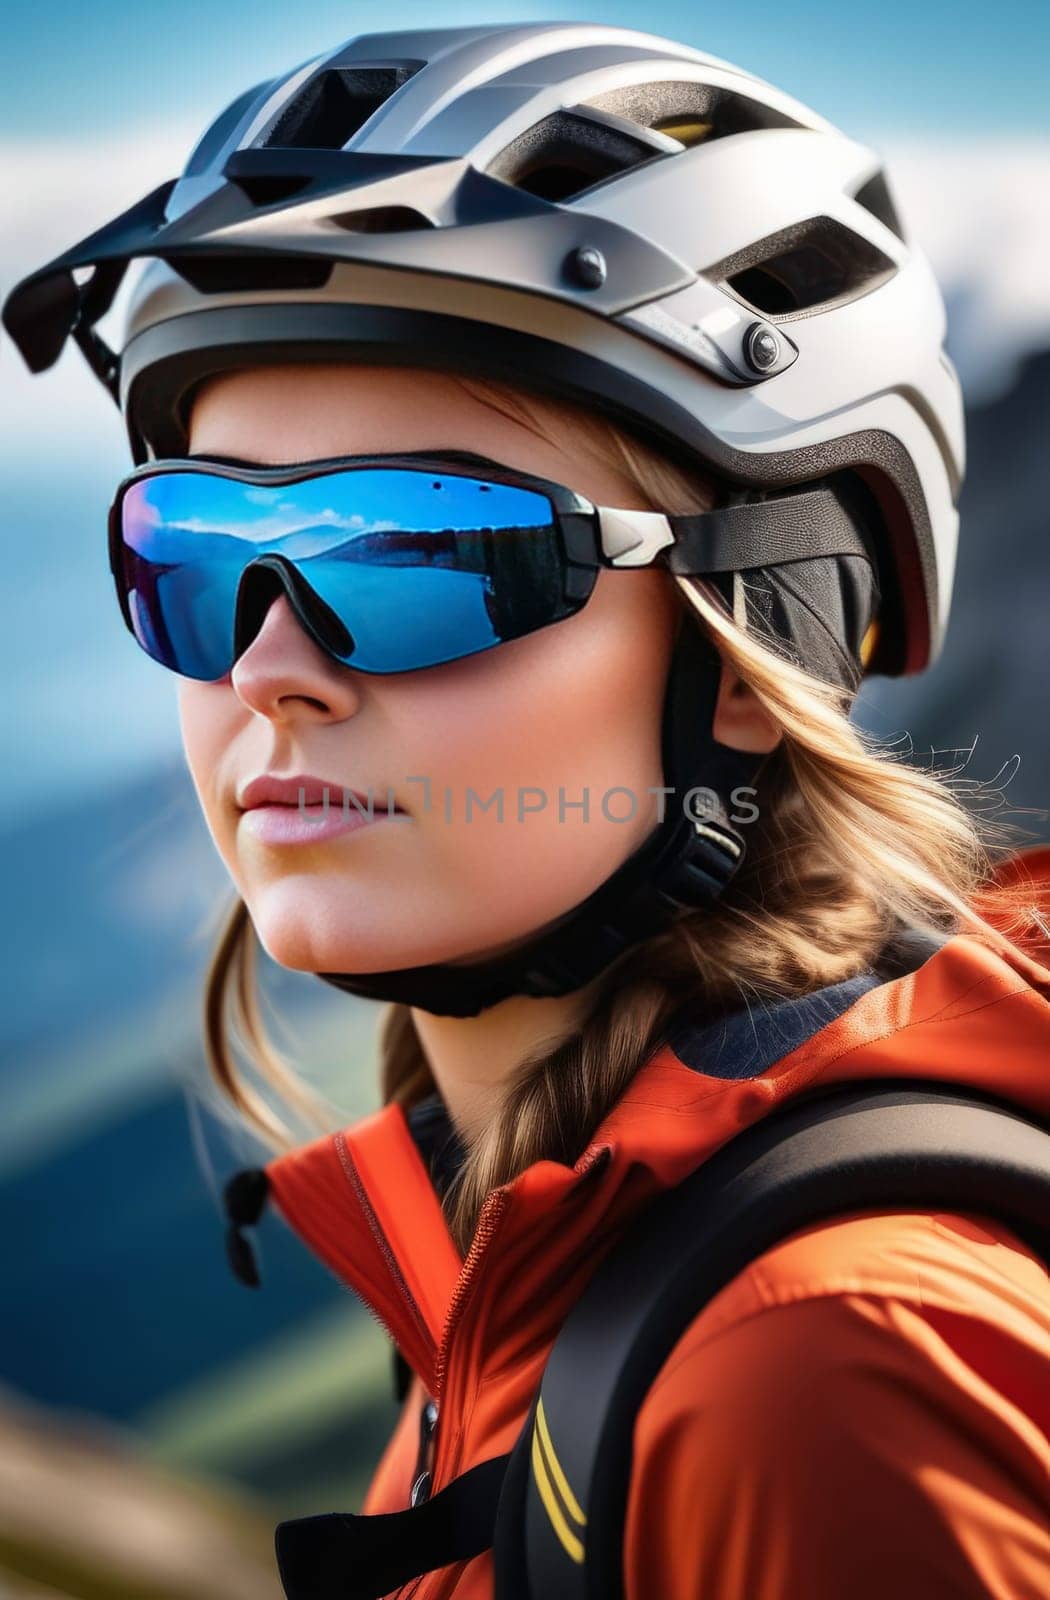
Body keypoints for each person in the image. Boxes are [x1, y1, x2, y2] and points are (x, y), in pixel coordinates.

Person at [5, 21, 1048, 1600]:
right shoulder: (527, 1270)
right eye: (201, 549)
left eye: (429, 550)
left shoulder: (821, 1373)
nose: (273, 665)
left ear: (755, 650)